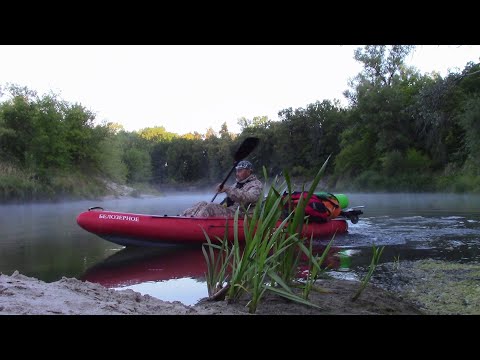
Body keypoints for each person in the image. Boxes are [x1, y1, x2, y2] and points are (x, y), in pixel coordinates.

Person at [180, 160, 263, 217]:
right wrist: (224, 192)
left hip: (241, 214)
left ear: (249, 171)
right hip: (231, 210)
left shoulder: (256, 184)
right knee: (202, 204)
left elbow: (249, 198)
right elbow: (228, 200)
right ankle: (181, 217)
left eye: (240, 171)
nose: (237, 173)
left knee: (210, 208)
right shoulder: (237, 184)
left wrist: (227, 189)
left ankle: (193, 225)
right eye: (237, 171)